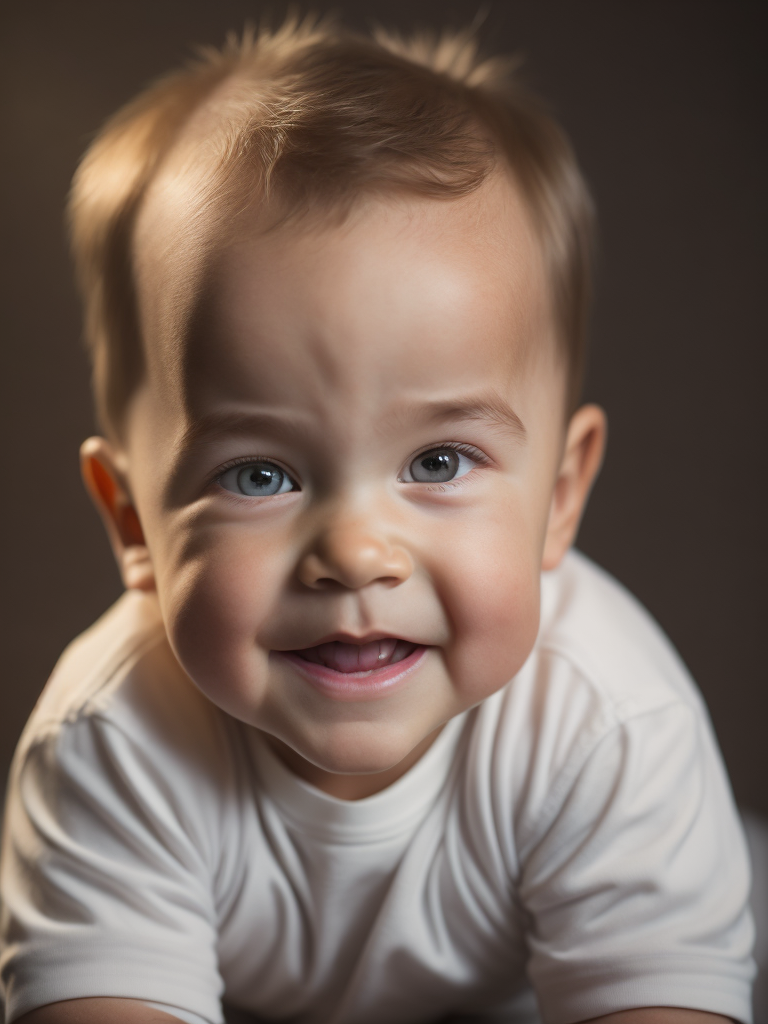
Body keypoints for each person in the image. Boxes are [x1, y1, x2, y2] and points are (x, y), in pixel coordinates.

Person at [0, 15, 755, 1024]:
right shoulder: (114, 743)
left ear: (560, 496)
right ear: (132, 519)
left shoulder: (610, 726)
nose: (355, 553)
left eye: (439, 461)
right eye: (260, 473)